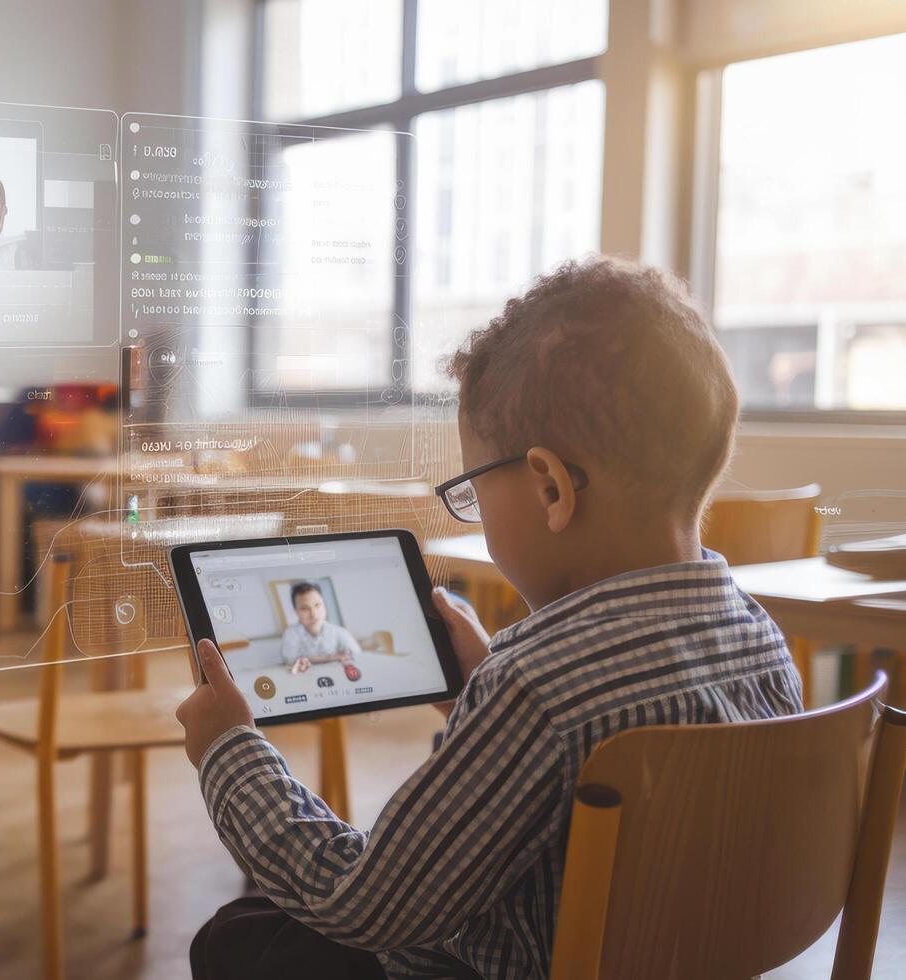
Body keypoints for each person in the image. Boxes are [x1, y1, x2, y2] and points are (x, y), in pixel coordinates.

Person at [176, 257, 802, 980]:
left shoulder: (536, 690)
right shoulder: (757, 635)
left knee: (236, 940)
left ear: (549, 487)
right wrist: (484, 683)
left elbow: (365, 905)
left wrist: (230, 750)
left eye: (472, 487)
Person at [278, 581, 363, 681]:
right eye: (305, 608)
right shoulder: (291, 634)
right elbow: (290, 660)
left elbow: (357, 655)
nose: (313, 614)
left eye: (317, 605)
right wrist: (332, 658)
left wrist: (310, 659)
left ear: (324, 606)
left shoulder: (340, 632)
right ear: (296, 611)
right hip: (304, 682)